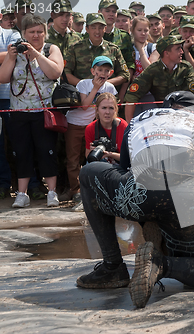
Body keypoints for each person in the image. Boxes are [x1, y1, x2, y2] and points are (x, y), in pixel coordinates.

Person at [76, 91, 194, 309]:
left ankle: (113, 267)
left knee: (89, 172)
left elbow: (124, 171)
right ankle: (162, 264)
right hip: (185, 203)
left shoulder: (140, 120)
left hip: (140, 195)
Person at [0, 14, 64, 208]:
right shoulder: (16, 51)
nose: (36, 36)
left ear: (45, 32)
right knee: (22, 152)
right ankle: (22, 194)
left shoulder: (50, 49)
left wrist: (37, 55)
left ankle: (51, 192)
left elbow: (55, 72)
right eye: (31, 32)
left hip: (44, 112)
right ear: (24, 34)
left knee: (47, 151)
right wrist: (11, 58)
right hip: (19, 111)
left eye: (39, 32)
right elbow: (3, 78)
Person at [64, 56, 119, 202]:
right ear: (92, 71)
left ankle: (92, 188)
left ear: (110, 73)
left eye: (106, 70)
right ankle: (75, 190)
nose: (102, 73)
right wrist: (95, 88)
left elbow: (112, 109)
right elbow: (84, 105)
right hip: (75, 124)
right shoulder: (84, 84)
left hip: (94, 127)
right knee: (73, 159)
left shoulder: (110, 88)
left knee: (92, 156)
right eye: (99, 69)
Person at [124, 35, 194, 122]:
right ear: (166, 53)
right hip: (160, 114)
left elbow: (191, 95)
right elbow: (132, 96)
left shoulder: (186, 68)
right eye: (178, 49)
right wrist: (129, 125)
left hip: (183, 113)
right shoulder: (153, 70)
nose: (181, 51)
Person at [64, 13, 130, 90]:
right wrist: (85, 85)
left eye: (100, 28)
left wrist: (105, 84)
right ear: (87, 29)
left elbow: (125, 74)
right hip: (82, 95)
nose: (97, 31)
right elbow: (65, 73)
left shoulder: (113, 49)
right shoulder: (75, 48)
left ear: (105, 29)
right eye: (93, 28)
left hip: (107, 96)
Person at [0, 10, 21, 200]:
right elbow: (6, 56)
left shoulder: (10, 33)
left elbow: (15, 52)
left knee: (15, 141)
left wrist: (7, 56)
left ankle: (21, 185)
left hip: (8, 96)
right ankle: (3, 184)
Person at [84, 93, 127, 165]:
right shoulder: (90, 128)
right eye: (104, 108)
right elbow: (88, 157)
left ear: (115, 110)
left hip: (120, 165)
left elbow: (128, 158)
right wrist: (93, 151)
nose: (107, 112)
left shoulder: (123, 126)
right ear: (97, 110)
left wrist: (109, 154)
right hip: (100, 164)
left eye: (111, 108)